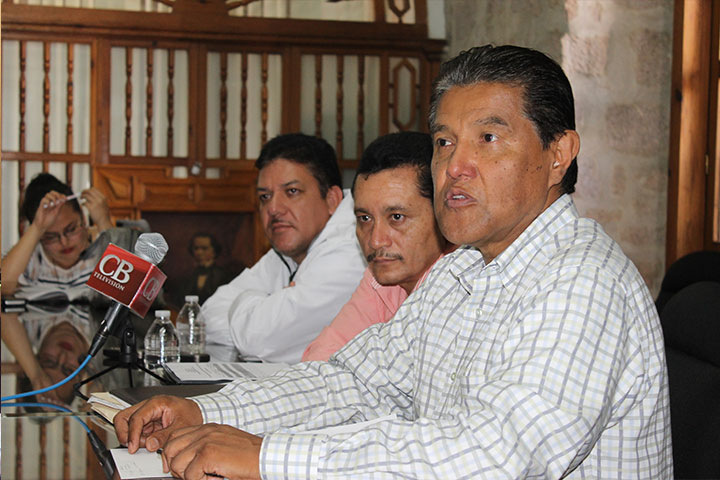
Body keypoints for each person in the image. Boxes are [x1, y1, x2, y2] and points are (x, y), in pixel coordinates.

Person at [114, 45, 672, 479]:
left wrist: (267, 456)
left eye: (488, 138)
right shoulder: (461, 270)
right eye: (445, 143)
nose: (455, 166)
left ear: (558, 154)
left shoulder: (583, 280)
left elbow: (493, 456)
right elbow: (355, 382)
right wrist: (210, 414)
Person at [202, 133, 366, 363]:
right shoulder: (291, 249)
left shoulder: (352, 249)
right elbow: (206, 320)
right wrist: (266, 306)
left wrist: (249, 300)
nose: (274, 208)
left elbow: (257, 342)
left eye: (292, 192)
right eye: (265, 196)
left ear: (332, 200)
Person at [302, 131, 452, 361]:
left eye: (397, 217)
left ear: (443, 214)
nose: (375, 241)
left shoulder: (461, 286)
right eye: (365, 218)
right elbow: (322, 358)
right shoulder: (382, 276)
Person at [1, 173, 140, 300]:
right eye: (50, 236)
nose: (64, 242)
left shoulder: (102, 246)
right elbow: (3, 286)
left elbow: (131, 291)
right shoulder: (31, 256)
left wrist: (104, 222)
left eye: (71, 229)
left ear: (83, 218)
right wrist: (37, 228)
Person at [175, 232, 235, 306]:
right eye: (196, 248)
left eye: (204, 248)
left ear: (214, 251)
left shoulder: (223, 275)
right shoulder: (186, 275)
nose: (199, 252)